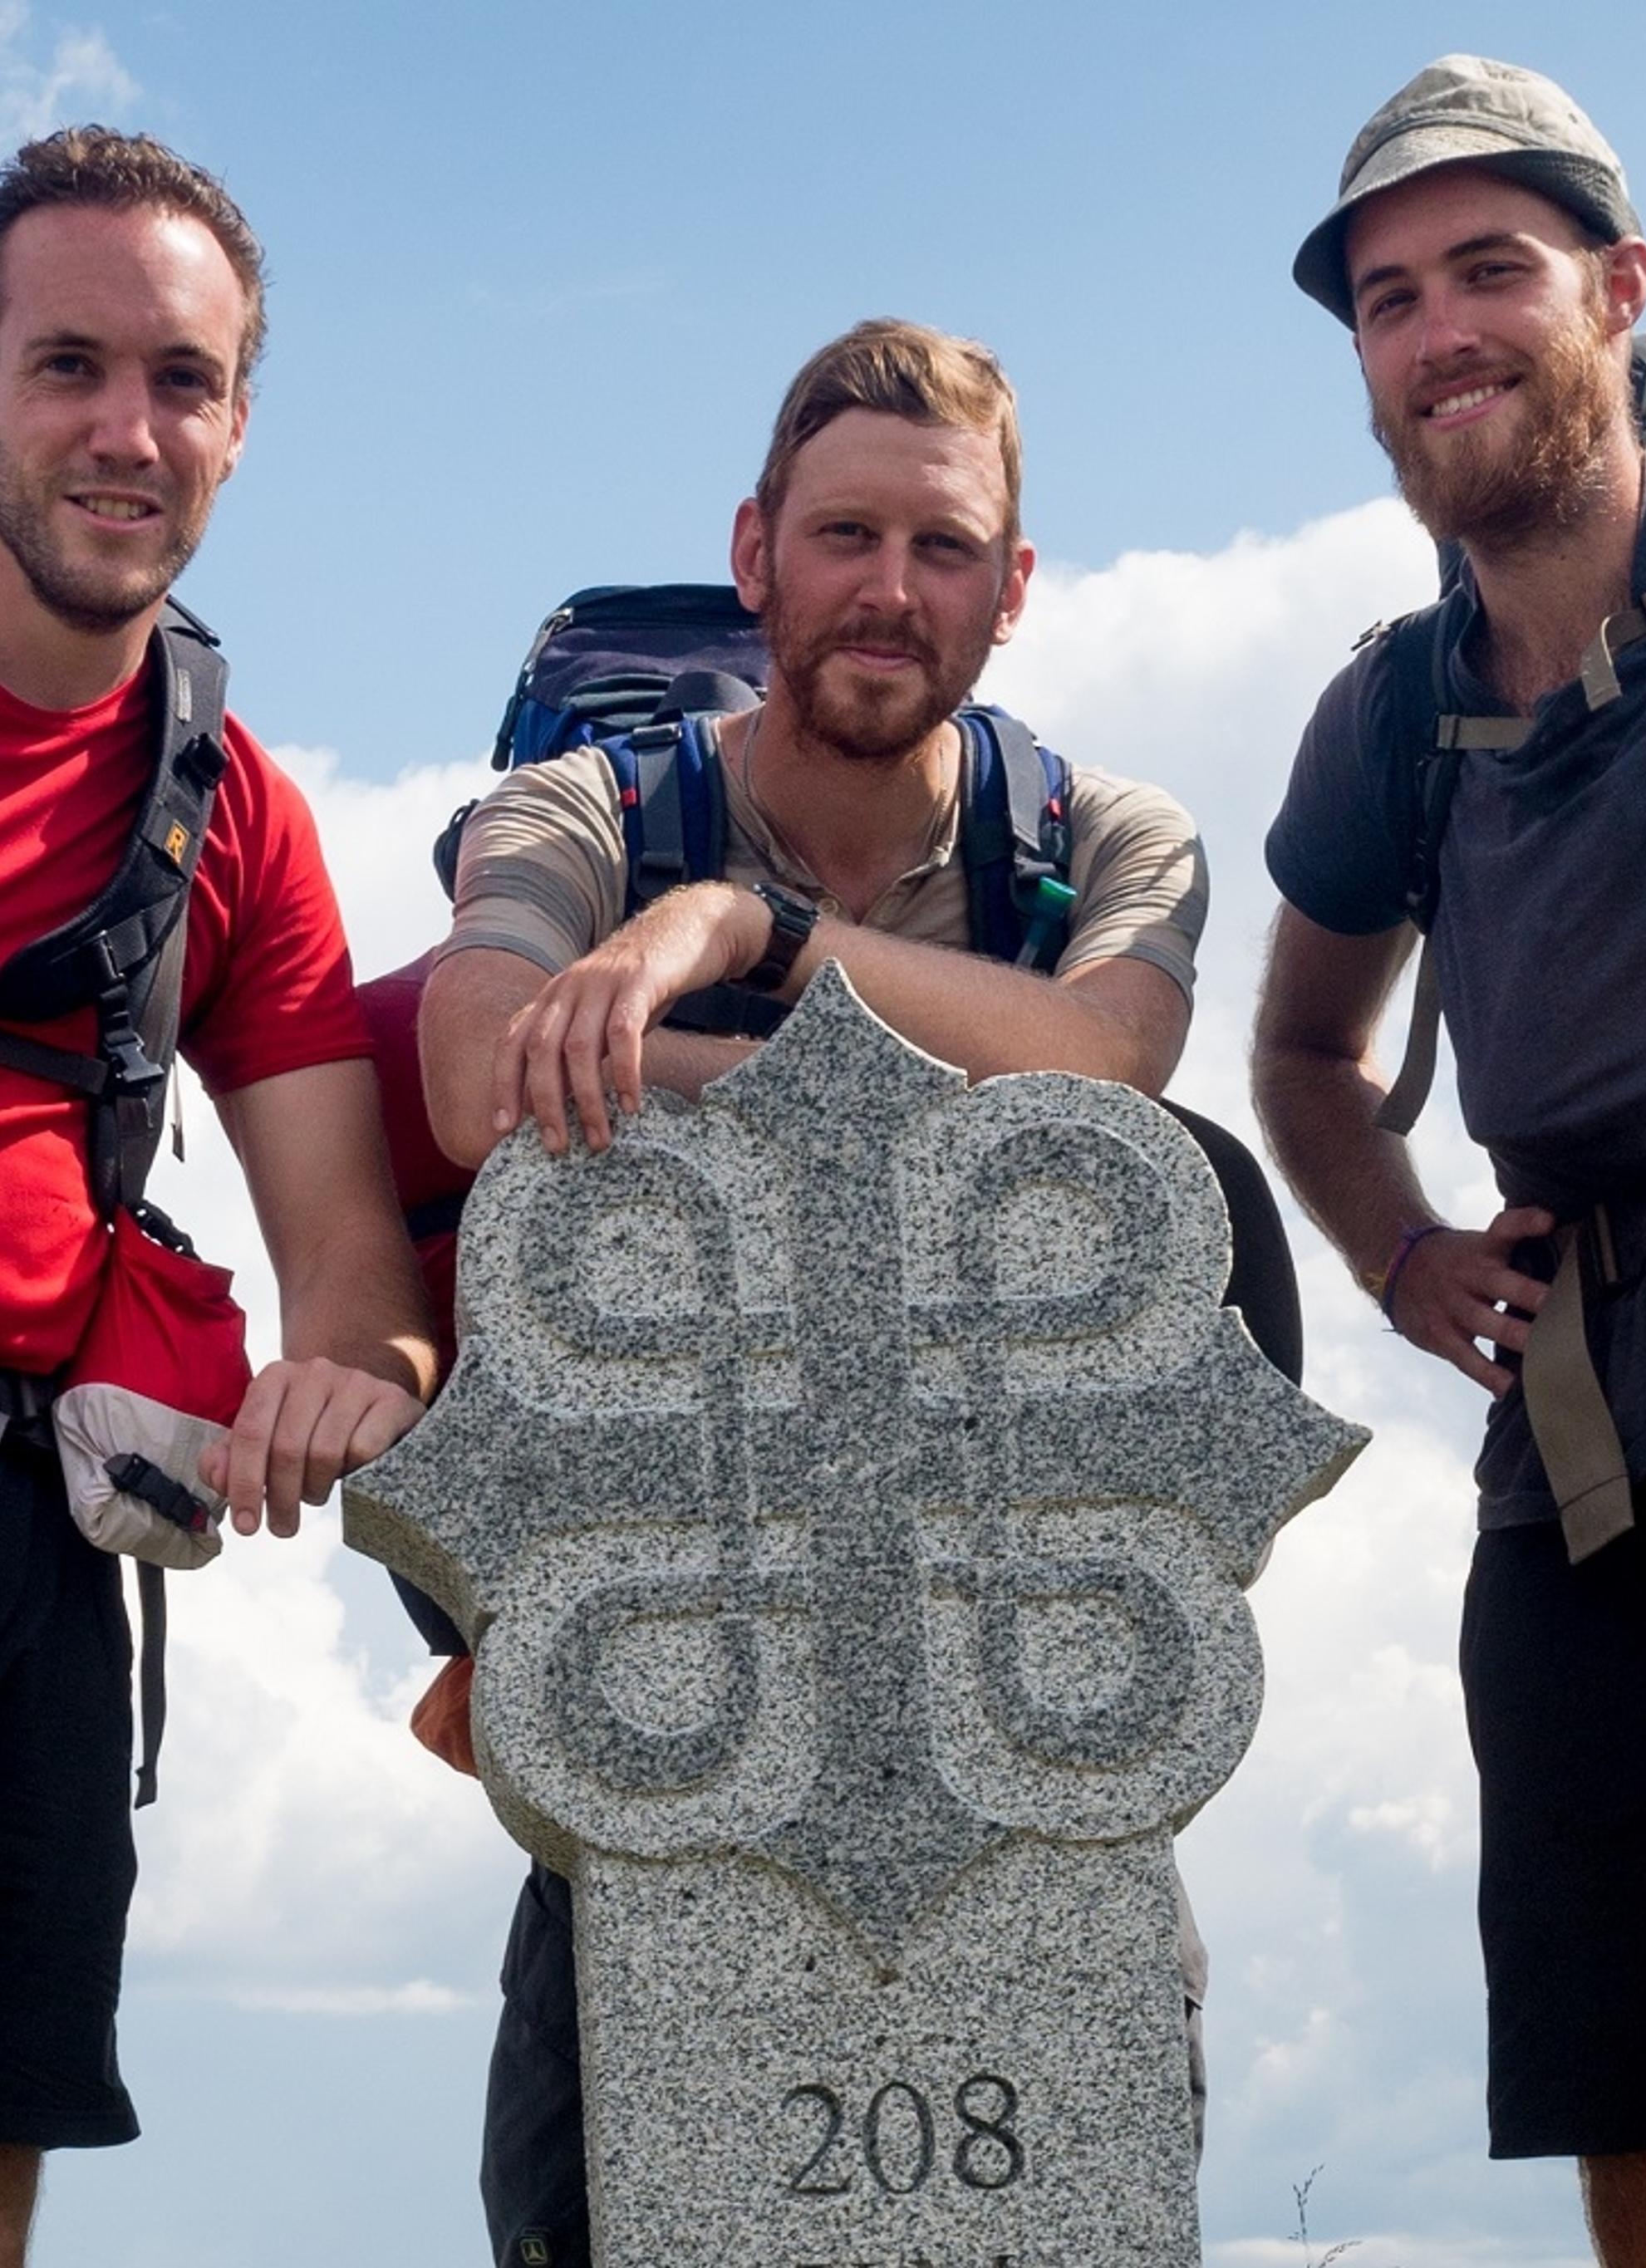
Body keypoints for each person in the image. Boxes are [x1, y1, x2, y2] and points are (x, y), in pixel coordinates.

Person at [420, 318, 1212, 2267]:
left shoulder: (1105, 839)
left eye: (943, 549)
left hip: (1022, 1713)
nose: (889, 590)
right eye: (844, 536)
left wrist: (736, 943)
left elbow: (1114, 1078)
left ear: (1012, 589)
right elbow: (468, 1067)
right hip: (668, 1703)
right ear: (755, 548)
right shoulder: (585, 817)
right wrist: (934, 1105)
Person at [1253, 55, 1646, 2268]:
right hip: (1585, 1457)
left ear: (1621, 289)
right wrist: (1411, 1254)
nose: (1436, 331)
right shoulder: (1390, 715)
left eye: (1491, 270)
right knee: (1633, 2072)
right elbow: (1307, 1050)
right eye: (1387, 296)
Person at [0, 127, 435, 2267]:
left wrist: (349, 1377)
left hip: (23, 1538)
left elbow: (343, 1245)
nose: (122, 430)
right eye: (65, 365)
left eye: (179, 379)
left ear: (241, 425)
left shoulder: (229, 806)